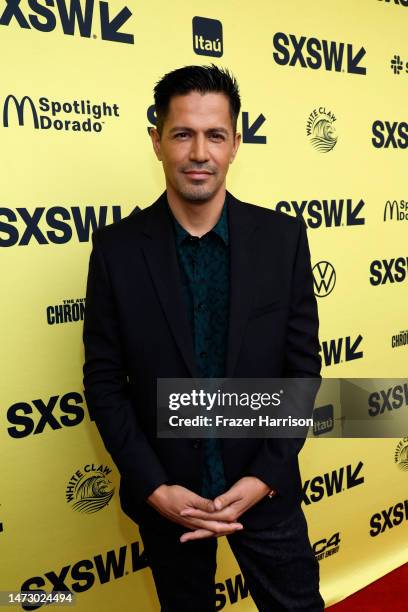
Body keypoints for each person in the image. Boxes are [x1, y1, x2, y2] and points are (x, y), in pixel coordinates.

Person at [83, 64, 325, 611]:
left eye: (215, 135)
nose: (199, 152)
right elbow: (104, 381)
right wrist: (154, 489)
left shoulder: (282, 239)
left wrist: (264, 476)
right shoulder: (117, 250)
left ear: (236, 143)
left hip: (266, 491)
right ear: (157, 141)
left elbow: (302, 372)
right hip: (171, 499)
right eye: (183, 134)